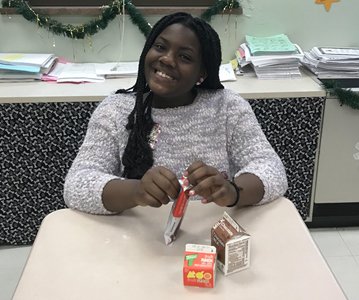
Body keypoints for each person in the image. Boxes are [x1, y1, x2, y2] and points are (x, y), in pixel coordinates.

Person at [64, 12, 288, 215]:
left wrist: (233, 192)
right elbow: (76, 185)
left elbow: (272, 171)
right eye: (160, 47)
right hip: (137, 237)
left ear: (202, 73)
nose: (167, 59)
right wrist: (136, 191)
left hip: (209, 235)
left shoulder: (227, 107)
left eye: (185, 57)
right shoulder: (116, 110)